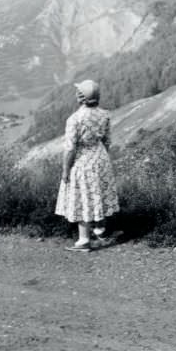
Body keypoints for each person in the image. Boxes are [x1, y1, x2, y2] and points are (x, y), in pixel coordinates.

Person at [55, 79, 120, 252]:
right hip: (101, 157)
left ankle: (84, 241)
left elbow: (70, 148)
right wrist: (101, 156)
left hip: (83, 161)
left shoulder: (75, 119)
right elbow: (107, 141)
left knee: (82, 197)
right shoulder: (105, 115)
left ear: (80, 97)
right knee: (98, 192)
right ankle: (100, 229)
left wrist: (65, 170)